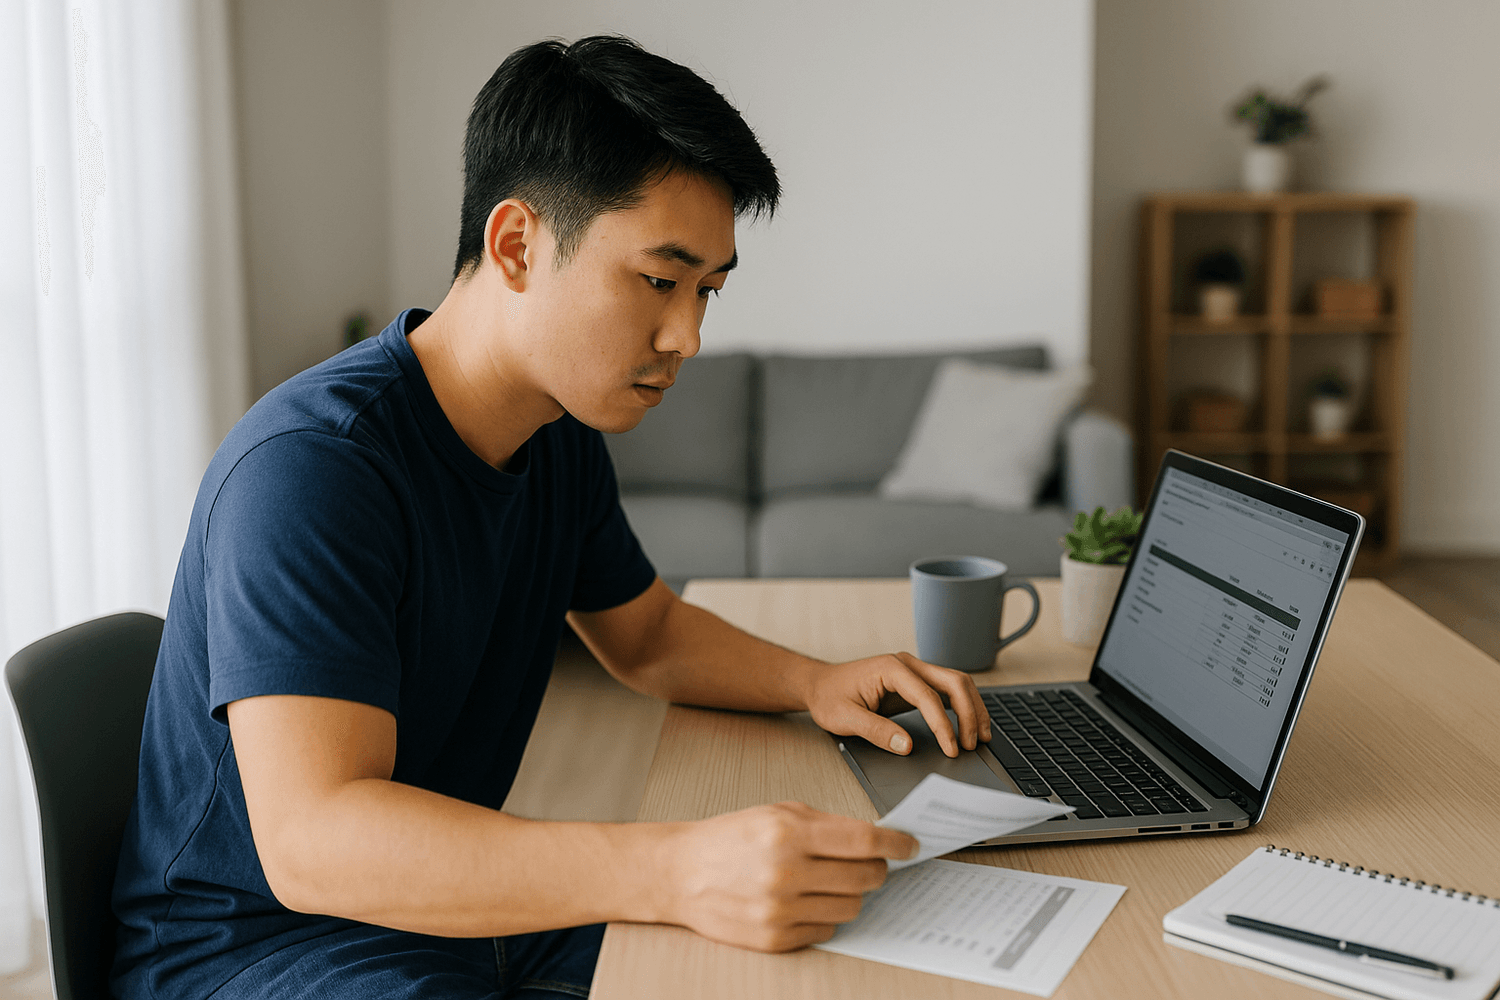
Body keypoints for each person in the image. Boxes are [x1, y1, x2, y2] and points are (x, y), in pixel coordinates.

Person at [111, 35, 991, 999]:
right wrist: (672, 866)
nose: (688, 337)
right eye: (660, 280)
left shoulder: (557, 434)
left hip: (435, 921)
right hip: (256, 953)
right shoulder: (315, 468)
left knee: (795, 959)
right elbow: (317, 844)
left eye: (709, 292)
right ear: (517, 245)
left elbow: (647, 635)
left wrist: (817, 682)